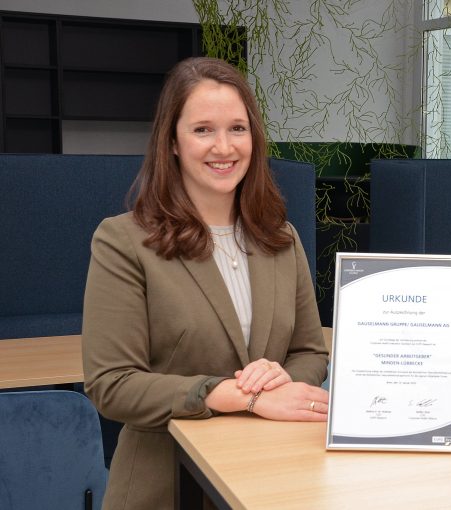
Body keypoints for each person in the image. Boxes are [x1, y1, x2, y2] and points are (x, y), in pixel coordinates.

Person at [82, 57, 329, 509]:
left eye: (238, 128)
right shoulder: (124, 240)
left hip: (272, 481)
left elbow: (310, 351)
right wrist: (244, 396)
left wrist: (280, 377)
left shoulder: (280, 236)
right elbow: (112, 384)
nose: (224, 147)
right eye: (202, 130)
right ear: (172, 141)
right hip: (168, 484)